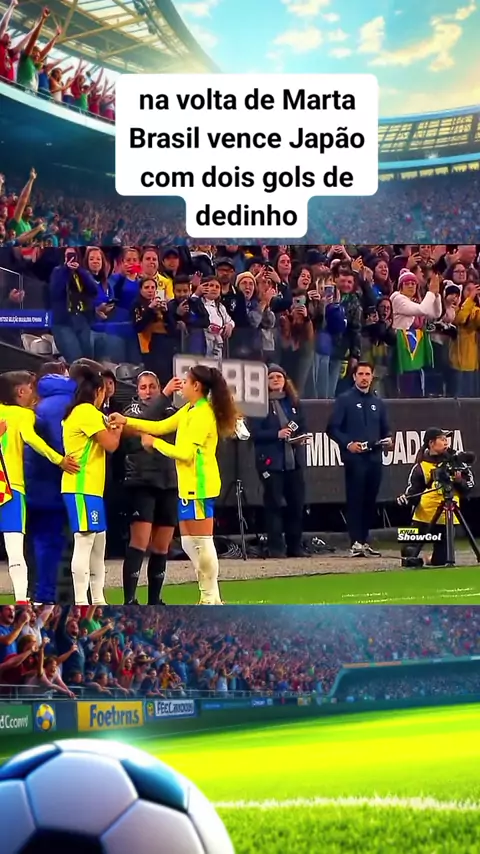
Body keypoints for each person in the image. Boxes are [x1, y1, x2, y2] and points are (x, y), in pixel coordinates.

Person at [109, 365, 237, 605]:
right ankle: (206, 593)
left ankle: (211, 596)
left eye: (187, 382)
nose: (183, 385)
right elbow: (160, 426)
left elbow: (186, 454)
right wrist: (126, 420)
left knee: (202, 542)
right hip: (186, 485)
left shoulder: (203, 414)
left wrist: (155, 444)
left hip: (200, 485)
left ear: (196, 386)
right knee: (189, 543)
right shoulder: (188, 409)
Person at [0, 371, 79, 603]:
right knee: (15, 549)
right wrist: (60, 460)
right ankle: (21, 600)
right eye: (31, 388)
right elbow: (34, 441)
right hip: (10, 488)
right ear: (21, 391)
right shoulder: (23, 414)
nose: (34, 394)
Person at [61, 366, 123, 605]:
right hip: (81, 487)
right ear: (98, 391)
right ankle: (81, 600)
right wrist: (117, 429)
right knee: (85, 542)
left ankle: (98, 598)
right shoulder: (86, 412)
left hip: (92, 489)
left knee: (99, 544)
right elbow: (111, 444)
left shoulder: (81, 412)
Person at [121, 371, 183, 605]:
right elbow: (141, 427)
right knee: (140, 541)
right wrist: (164, 396)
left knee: (162, 545)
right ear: (137, 391)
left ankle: (155, 600)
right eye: (143, 387)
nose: (148, 391)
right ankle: (129, 600)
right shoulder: (131, 411)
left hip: (169, 482)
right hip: (142, 482)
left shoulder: (172, 412)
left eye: (152, 387)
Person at [327, 362, 392, 557]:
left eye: (367, 374)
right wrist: (348, 444)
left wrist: (388, 440)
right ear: (354, 376)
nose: (364, 377)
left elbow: (385, 428)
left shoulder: (377, 402)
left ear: (372, 377)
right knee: (356, 499)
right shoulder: (344, 400)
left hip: (375, 458)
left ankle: (364, 540)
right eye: (361, 374)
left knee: (370, 500)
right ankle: (355, 541)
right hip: (355, 459)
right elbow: (332, 428)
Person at [249, 365, 308, 558]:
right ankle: (276, 548)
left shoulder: (293, 402)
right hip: (271, 462)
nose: (275, 380)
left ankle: (295, 546)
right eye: (271, 377)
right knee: (273, 505)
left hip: (293, 461)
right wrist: (277, 434)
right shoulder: (259, 406)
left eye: (279, 377)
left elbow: (302, 424)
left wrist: (299, 437)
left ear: (285, 380)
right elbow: (255, 433)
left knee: (296, 505)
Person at [398, 428, 474, 567]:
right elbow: (414, 491)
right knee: (407, 552)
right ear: (431, 443)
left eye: (447, 440)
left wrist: (459, 481)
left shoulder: (456, 462)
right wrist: (405, 499)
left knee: (441, 561)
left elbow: (469, 487)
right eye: (442, 439)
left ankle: (430, 559)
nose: (446, 442)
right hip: (423, 517)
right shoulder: (421, 466)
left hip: (447, 518)